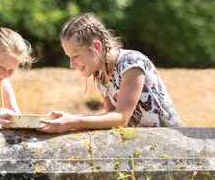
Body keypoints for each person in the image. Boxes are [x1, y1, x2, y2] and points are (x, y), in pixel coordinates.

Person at [39, 13, 181, 133]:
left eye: (75, 56)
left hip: (168, 140)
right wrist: (69, 119)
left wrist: (73, 122)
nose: (71, 65)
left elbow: (121, 118)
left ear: (96, 46)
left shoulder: (131, 63)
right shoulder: (101, 76)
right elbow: (109, 120)